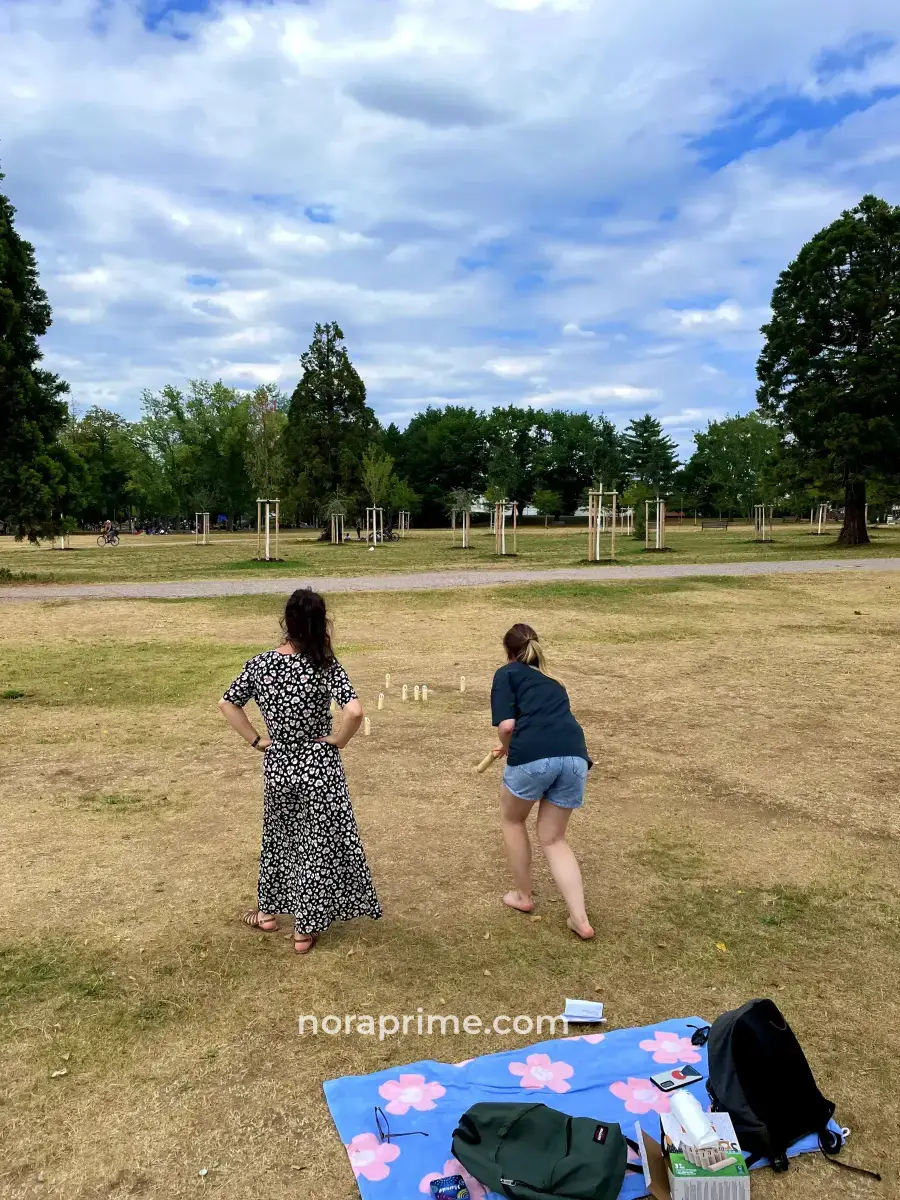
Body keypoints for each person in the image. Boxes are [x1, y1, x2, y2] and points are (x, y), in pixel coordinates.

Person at [218, 588, 382, 954]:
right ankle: (304, 931)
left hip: (279, 764)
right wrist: (338, 741)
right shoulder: (325, 664)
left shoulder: (259, 664)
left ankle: (266, 913)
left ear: (286, 622)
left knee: (279, 840)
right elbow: (354, 712)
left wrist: (257, 741)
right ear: (320, 623)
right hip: (318, 765)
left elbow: (227, 703)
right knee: (314, 844)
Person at [491, 623, 594, 939]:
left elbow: (508, 725)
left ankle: (523, 896)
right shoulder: (554, 681)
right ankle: (580, 919)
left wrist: (507, 747)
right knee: (553, 838)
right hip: (575, 756)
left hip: (535, 755)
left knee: (512, 819)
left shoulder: (506, 674)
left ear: (509, 652)